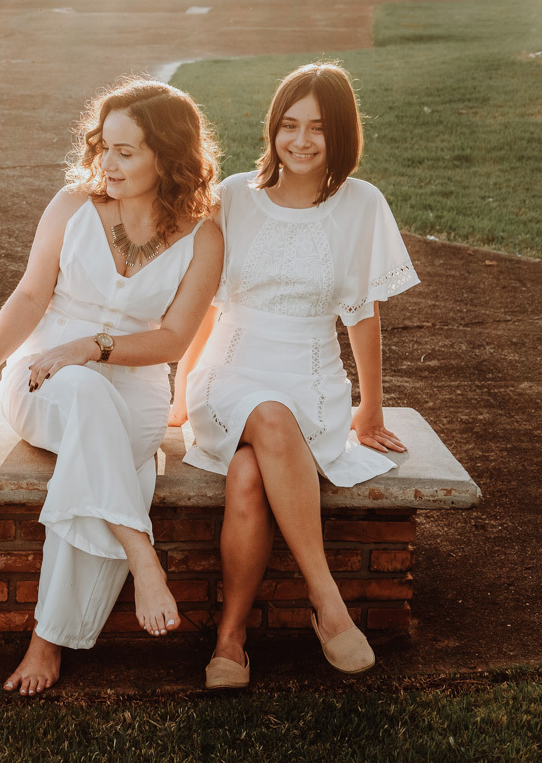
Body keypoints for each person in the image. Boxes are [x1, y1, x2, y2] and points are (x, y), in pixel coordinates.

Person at [0, 79, 223, 695]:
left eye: (126, 151)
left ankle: (49, 641)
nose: (106, 163)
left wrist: (93, 347)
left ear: (168, 157)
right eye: (103, 147)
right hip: (43, 382)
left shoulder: (203, 235)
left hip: (137, 394)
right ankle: (140, 555)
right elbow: (30, 294)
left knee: (99, 458)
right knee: (97, 416)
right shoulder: (72, 205)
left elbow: (174, 339)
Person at [173, 62, 420, 689]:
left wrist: (370, 408)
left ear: (341, 134)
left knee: (249, 474)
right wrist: (180, 386)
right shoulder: (233, 195)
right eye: (289, 125)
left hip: (313, 380)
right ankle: (326, 600)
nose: (301, 141)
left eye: (318, 128)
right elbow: (205, 302)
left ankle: (231, 638)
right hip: (229, 374)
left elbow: (362, 315)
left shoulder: (362, 204)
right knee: (268, 416)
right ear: (272, 129)